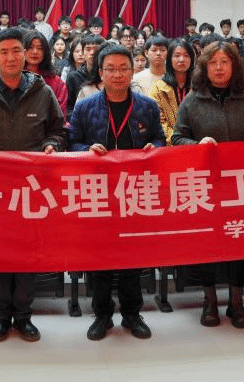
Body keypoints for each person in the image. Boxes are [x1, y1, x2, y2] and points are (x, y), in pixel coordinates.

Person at [0, 28, 67, 343]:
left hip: (32, 189)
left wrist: (51, 145)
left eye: (16, 51)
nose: (10, 57)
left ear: (25, 54)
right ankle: (0, 318)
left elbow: (59, 131)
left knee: (27, 255)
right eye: (4, 52)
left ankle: (24, 317)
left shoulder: (42, 92)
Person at [67, 44, 163, 341]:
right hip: (97, 192)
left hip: (134, 191)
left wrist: (155, 147)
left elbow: (159, 138)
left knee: (132, 256)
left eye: (123, 68)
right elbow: (71, 143)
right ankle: (102, 315)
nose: (117, 74)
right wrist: (86, 149)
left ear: (133, 71)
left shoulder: (147, 106)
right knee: (100, 258)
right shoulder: (85, 107)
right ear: (100, 72)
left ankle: (132, 314)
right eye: (110, 69)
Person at [170, 41, 244, 328]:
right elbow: (177, 139)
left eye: (225, 62)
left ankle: (236, 301)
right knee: (208, 244)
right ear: (205, 67)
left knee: (240, 242)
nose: (220, 68)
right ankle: (209, 299)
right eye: (213, 63)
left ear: (234, 67)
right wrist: (197, 144)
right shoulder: (192, 101)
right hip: (205, 185)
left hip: (239, 186)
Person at [147, 39, 195, 144]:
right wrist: (180, 141)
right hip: (170, 146)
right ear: (169, 59)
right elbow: (159, 123)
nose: (181, 59)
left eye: (186, 55)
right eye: (177, 56)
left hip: (196, 144)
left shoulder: (199, 88)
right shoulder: (158, 89)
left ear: (192, 59)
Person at [25, 30, 68, 116]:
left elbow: (60, 115)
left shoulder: (57, 82)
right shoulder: (14, 79)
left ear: (45, 52)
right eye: (30, 47)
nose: (35, 51)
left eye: (40, 48)